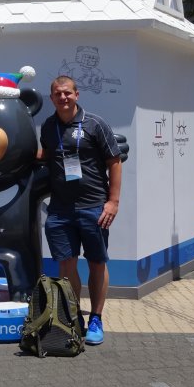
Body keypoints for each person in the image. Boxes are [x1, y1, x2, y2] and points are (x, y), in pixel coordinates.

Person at [38, 76, 122, 345]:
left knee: (97, 262)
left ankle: (96, 318)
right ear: (52, 98)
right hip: (60, 209)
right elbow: (47, 156)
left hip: (94, 206)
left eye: (67, 93)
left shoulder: (95, 124)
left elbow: (114, 161)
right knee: (66, 265)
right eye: (57, 94)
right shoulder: (48, 126)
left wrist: (113, 202)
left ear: (77, 94)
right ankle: (73, 317)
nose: (63, 97)